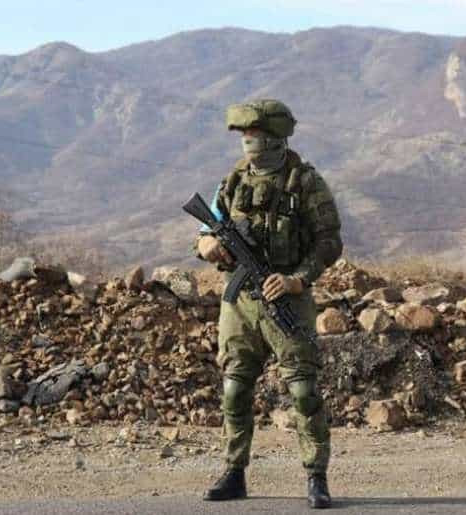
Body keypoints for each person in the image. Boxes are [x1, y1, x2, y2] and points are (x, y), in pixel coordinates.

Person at [194, 99, 343, 509]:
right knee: (234, 389)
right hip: (240, 303)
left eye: (255, 135)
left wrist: (297, 279)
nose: (249, 142)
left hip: (286, 300)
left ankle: (316, 476)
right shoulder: (233, 181)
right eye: (245, 136)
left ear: (277, 138)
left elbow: (329, 242)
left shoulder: (305, 183)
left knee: (303, 390)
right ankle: (234, 472)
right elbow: (207, 228)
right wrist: (207, 246)